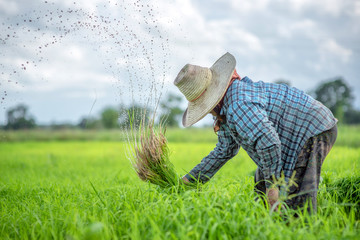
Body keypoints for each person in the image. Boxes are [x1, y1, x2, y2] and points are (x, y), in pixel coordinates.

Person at [174, 52, 337, 213]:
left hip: (312, 129)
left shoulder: (238, 105)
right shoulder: (227, 107)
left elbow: (269, 143)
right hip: (292, 132)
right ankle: (270, 226)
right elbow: (224, 150)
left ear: (213, 101)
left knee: (296, 199)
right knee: (262, 186)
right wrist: (188, 180)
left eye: (207, 108)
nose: (209, 113)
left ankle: (302, 230)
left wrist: (272, 188)